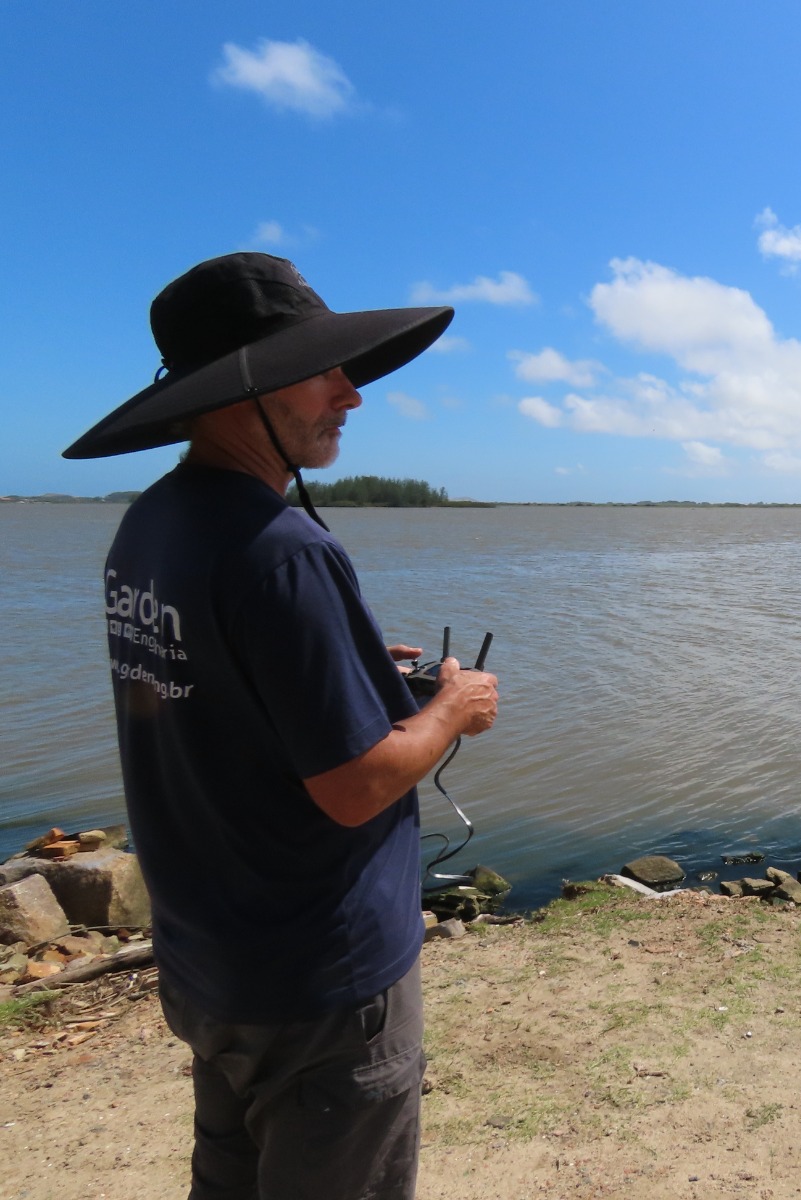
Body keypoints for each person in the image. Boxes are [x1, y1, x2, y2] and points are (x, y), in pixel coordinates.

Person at [64, 252, 499, 1199]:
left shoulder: (153, 523)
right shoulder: (284, 551)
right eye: (325, 368)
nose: (351, 393)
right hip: (322, 981)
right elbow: (353, 789)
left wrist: (342, 670)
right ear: (246, 388)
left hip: (211, 958)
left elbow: (202, 690)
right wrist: (451, 708)